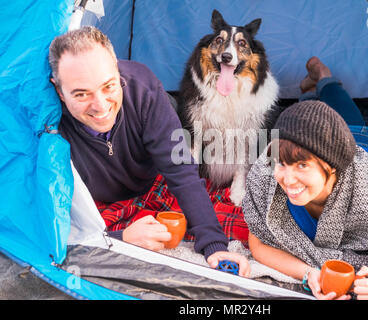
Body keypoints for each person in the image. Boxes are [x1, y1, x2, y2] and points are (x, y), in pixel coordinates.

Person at [48, 26, 250, 276]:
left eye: (109, 86)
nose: (100, 105)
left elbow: (182, 172)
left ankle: (166, 105)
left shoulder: (141, 86)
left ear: (117, 71)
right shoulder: (48, 124)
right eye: (81, 93)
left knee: (235, 223)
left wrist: (214, 244)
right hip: (97, 201)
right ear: (59, 90)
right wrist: (118, 238)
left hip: (150, 177)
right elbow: (49, 222)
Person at [242, 57, 368, 299]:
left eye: (302, 165)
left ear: (332, 167)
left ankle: (325, 79)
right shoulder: (266, 175)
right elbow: (259, 242)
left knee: (351, 121)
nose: (288, 179)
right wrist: (308, 273)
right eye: (281, 163)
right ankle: (308, 92)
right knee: (310, 129)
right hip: (323, 144)